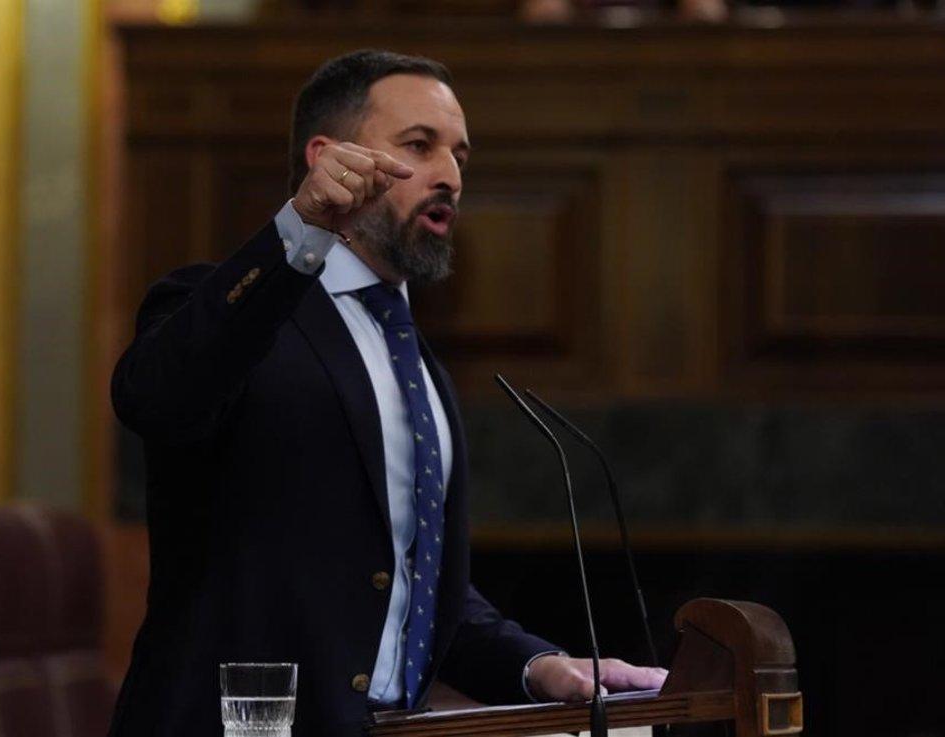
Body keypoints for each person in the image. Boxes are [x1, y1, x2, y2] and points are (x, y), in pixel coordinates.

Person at [108, 49, 667, 737]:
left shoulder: (419, 363)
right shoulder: (226, 306)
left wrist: (540, 666)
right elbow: (157, 399)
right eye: (419, 146)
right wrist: (300, 228)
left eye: (460, 154)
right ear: (325, 158)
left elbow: (416, 590)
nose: (451, 175)